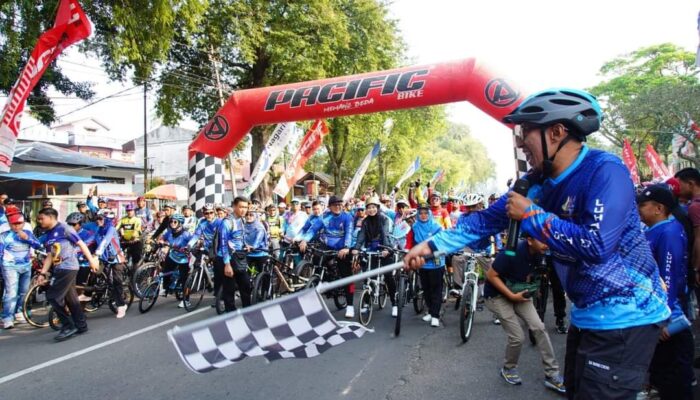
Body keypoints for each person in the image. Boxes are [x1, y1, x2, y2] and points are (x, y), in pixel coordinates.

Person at [404, 88, 670, 399]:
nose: (519, 141)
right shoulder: (535, 182)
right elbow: (485, 221)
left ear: (556, 132)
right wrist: (431, 246)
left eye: (526, 131)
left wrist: (531, 214)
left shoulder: (605, 170)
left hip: (628, 316)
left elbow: (597, 245)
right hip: (585, 317)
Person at [484, 236, 566, 393]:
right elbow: (491, 276)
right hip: (497, 295)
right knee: (517, 337)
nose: (546, 243)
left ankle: (552, 374)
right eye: (542, 240)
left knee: (539, 328)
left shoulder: (542, 253)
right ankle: (508, 369)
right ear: (529, 240)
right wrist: (512, 295)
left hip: (519, 291)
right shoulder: (510, 252)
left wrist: (533, 287)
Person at [638, 185, 694, 400]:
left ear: (659, 208)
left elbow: (668, 276)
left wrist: (664, 317)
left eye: (643, 205)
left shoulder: (668, 232)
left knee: (675, 379)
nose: (639, 209)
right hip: (657, 313)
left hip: (668, 318)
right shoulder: (655, 229)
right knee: (664, 373)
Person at [35, 208, 99, 341]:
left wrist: (92, 260)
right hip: (59, 268)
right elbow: (49, 256)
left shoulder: (64, 228)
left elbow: (81, 244)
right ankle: (81, 325)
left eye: (42, 218)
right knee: (71, 299)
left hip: (68, 267)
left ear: (51, 217)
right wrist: (42, 273)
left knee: (53, 296)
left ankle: (68, 325)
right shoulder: (49, 234)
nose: (39, 221)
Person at [297, 196, 354, 318]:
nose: (338, 207)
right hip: (326, 245)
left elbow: (349, 232)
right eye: (335, 205)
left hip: (342, 247)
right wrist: (304, 240)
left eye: (340, 204)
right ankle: (322, 280)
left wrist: (346, 247)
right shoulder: (324, 217)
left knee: (347, 276)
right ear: (329, 207)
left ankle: (350, 305)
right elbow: (313, 230)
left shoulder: (347, 217)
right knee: (317, 258)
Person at [353, 196, 397, 317]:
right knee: (368, 276)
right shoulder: (365, 221)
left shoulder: (384, 219)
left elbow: (385, 234)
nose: (371, 210)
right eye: (369, 208)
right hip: (371, 250)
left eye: (373, 207)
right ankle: (366, 303)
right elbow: (361, 236)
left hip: (385, 249)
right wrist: (356, 248)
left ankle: (394, 304)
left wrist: (386, 249)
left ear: (377, 207)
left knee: (389, 277)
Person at [0, 209, 42, 329]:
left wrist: (27, 238)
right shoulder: (5, 235)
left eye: (20, 223)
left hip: (26, 266)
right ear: (10, 223)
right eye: (14, 224)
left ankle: (19, 312)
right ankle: (7, 317)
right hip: (10, 266)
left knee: (23, 291)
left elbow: (38, 245)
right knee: (11, 292)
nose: (17, 226)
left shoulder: (28, 232)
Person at [409, 203, 443, 327]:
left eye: (425, 213)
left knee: (436, 289)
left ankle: (435, 315)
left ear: (430, 214)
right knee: (426, 288)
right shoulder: (415, 227)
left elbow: (441, 243)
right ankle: (430, 310)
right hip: (422, 263)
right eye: (421, 213)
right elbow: (413, 243)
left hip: (436, 262)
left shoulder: (436, 226)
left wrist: (432, 253)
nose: (423, 215)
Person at [217, 197, 252, 312]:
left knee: (246, 285)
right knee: (229, 290)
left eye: (246, 207)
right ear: (234, 207)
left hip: (239, 257)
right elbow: (223, 244)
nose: (244, 210)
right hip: (227, 258)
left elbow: (239, 237)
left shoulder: (241, 220)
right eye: (241, 207)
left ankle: (248, 311)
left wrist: (245, 245)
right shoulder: (227, 222)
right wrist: (227, 264)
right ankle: (230, 314)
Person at [94, 209, 128, 318]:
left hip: (116, 258)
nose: (97, 221)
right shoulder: (99, 229)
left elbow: (106, 241)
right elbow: (91, 241)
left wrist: (97, 253)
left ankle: (121, 306)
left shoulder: (111, 229)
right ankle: (89, 295)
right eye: (97, 218)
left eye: (100, 219)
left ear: (107, 220)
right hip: (104, 258)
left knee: (116, 282)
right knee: (95, 273)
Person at [159, 213, 192, 308]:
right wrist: (161, 241)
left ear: (180, 223)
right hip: (172, 256)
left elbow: (194, 241)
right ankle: (166, 289)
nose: (172, 223)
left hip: (184, 260)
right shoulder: (169, 232)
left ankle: (186, 300)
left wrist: (189, 247)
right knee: (166, 271)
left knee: (184, 280)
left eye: (175, 222)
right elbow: (162, 238)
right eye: (171, 222)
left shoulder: (186, 234)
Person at [65, 212, 98, 301]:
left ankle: (80, 310)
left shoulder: (89, 234)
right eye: (69, 224)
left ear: (80, 224)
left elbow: (83, 246)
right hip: (70, 263)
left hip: (84, 264)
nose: (70, 226)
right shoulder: (67, 233)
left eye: (73, 224)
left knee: (79, 288)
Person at [244, 210, 268, 275]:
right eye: (247, 215)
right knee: (244, 274)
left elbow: (258, 239)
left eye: (251, 215)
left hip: (260, 252)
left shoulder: (259, 227)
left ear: (255, 216)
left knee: (262, 274)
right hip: (247, 252)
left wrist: (253, 247)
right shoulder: (243, 226)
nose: (248, 217)